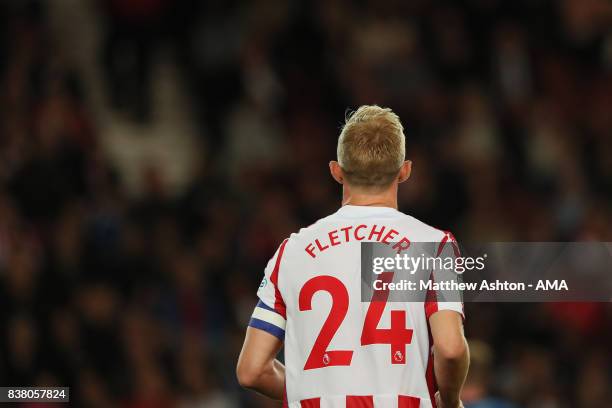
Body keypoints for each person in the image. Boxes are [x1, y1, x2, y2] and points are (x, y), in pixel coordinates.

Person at [236, 105, 469, 407]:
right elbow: (450, 348)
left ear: (336, 171)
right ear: (405, 171)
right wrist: (450, 401)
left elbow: (252, 370)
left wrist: (303, 391)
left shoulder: (292, 251)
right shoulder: (432, 244)